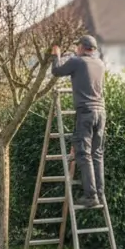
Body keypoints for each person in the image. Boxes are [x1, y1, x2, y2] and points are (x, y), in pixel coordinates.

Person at [50, 35, 106, 209]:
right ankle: (100, 192)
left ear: (82, 47)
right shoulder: (100, 64)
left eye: (77, 47)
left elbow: (57, 70)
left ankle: (91, 196)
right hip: (101, 113)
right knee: (97, 154)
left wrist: (56, 54)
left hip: (86, 113)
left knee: (84, 154)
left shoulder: (78, 61)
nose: (76, 49)